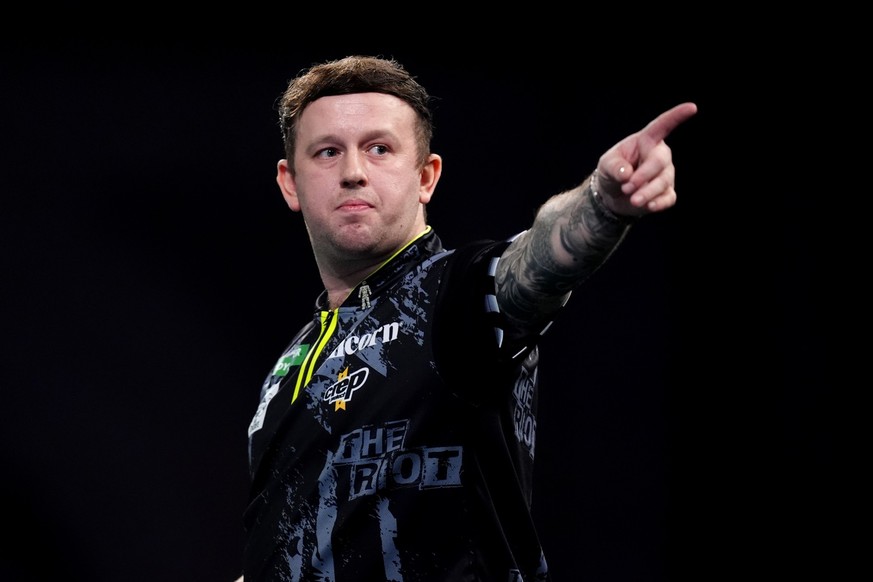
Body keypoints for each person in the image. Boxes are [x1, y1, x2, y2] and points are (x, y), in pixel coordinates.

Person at [237, 55, 697, 582]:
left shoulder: (454, 294)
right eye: (327, 152)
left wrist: (602, 202)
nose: (353, 172)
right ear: (290, 183)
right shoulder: (287, 369)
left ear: (427, 176)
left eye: (379, 148)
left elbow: (537, 260)